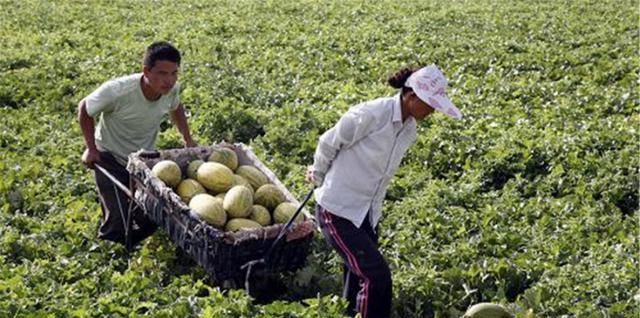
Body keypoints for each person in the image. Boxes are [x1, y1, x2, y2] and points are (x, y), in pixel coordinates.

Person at [305, 64, 462, 318]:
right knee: (377, 277)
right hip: (337, 209)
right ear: (411, 97)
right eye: (430, 104)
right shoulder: (371, 114)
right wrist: (318, 172)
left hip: (366, 212)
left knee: (358, 275)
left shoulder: (408, 129)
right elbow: (330, 141)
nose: (433, 111)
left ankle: (348, 313)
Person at [78, 41, 196, 247]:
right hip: (110, 156)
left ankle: (134, 238)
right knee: (119, 219)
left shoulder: (172, 90)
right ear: (146, 71)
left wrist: (187, 138)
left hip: (143, 159)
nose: (168, 80)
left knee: (152, 214)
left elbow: (176, 108)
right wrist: (91, 148)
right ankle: (113, 254)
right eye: (162, 73)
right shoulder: (118, 91)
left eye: (174, 73)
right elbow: (84, 109)